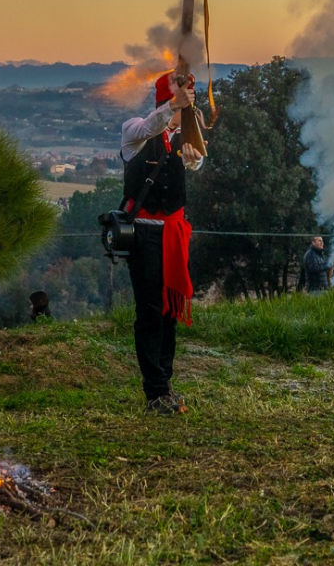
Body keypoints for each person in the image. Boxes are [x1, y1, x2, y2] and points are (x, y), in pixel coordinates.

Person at [120, 69, 203, 415]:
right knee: (151, 311)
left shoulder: (186, 131)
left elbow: (195, 163)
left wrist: (194, 154)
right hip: (143, 232)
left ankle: (164, 384)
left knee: (169, 311)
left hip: (173, 232)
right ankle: (154, 390)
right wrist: (173, 107)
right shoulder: (133, 129)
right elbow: (149, 127)